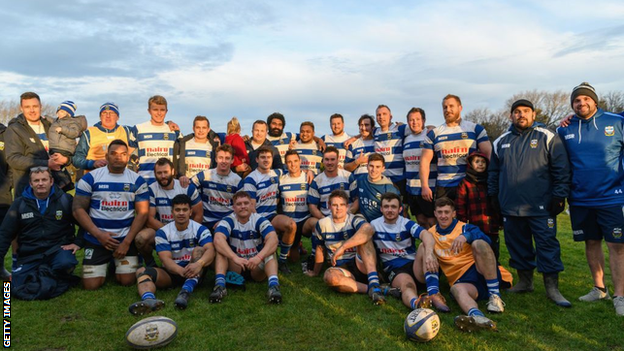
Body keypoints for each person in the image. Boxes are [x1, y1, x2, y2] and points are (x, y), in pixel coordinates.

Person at [489, 99, 571, 307]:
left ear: (534, 115)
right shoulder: (500, 141)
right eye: (517, 112)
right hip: (511, 207)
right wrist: (494, 197)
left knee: (547, 246)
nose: (521, 115)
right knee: (517, 246)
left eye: (526, 111)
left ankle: (552, 288)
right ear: (511, 116)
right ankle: (525, 282)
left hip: (541, 206)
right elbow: (493, 173)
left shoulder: (548, 136)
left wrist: (559, 195)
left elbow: (561, 169)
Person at [557, 82, 624, 316]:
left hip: (613, 197)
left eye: (586, 99)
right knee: (591, 242)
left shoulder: (617, 121)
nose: (581, 103)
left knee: (617, 245)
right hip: (581, 199)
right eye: (576, 100)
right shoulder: (564, 128)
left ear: (595, 101)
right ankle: (599, 288)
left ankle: (621, 296)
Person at [73, 139, 149, 290]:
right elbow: (77, 209)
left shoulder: (137, 181)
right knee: (91, 285)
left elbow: (142, 213)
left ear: (128, 157)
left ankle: (116, 265)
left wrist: (127, 242)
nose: (118, 157)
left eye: (123, 154)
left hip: (124, 240)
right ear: (106, 156)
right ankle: (108, 262)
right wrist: (98, 235)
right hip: (97, 239)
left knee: (127, 281)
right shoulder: (90, 178)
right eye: (113, 153)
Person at [428, 198, 511, 332]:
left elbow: (487, 241)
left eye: (447, 212)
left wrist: (466, 236)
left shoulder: (464, 227)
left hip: (480, 270)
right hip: (464, 282)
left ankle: (495, 296)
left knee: (479, 243)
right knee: (456, 289)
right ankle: (478, 318)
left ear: (454, 213)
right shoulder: (431, 234)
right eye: (440, 212)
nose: (443, 216)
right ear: (435, 214)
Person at [0, 167, 79, 299]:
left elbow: (84, 222)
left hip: (57, 249)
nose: (40, 183)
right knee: (15, 284)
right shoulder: (19, 204)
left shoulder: (65, 200)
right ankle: (45, 272)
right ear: (31, 184)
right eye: (36, 180)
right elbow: (4, 234)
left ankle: (51, 271)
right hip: (30, 252)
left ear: (51, 181)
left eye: (44, 179)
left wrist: (78, 243)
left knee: (66, 263)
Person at [128, 194, 215, 314]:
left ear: (190, 212)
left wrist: (199, 264)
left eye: (185, 210)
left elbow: (210, 250)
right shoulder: (163, 232)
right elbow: (166, 260)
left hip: (195, 271)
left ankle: (185, 292)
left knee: (199, 250)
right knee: (141, 271)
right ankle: (149, 300)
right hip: (174, 271)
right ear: (172, 212)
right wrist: (181, 271)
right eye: (177, 210)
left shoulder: (201, 229)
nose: (181, 213)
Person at [359, 192, 445, 311]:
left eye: (393, 207)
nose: (390, 210)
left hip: (415, 266)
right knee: (407, 285)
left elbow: (426, 234)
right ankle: (417, 304)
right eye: (386, 207)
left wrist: (430, 254)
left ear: (400, 209)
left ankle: (434, 293)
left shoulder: (406, 223)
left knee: (424, 246)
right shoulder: (374, 225)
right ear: (381, 209)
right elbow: (361, 240)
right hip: (395, 269)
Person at [306, 190, 387, 305]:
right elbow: (320, 249)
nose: (338, 208)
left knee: (364, 237)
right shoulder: (322, 224)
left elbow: (369, 229)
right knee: (330, 278)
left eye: (342, 205)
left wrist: (343, 247)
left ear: (347, 206)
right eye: (334, 205)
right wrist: (315, 271)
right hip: (342, 268)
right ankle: (374, 289)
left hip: (360, 263)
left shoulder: (354, 219)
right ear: (329, 206)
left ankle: (374, 281)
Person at [212, 191, 283, 304]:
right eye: (239, 204)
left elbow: (273, 239)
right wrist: (234, 257)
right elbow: (218, 240)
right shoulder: (228, 220)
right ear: (234, 207)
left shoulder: (259, 219)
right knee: (221, 250)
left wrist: (258, 257)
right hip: (237, 265)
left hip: (256, 266)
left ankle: (273, 287)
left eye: (246, 203)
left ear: (251, 205)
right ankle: (220, 287)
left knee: (271, 251)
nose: (243, 206)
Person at [420, 94, 491, 202]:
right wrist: (424, 186)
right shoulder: (434, 134)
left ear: (460, 108)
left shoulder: (475, 129)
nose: (448, 110)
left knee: (470, 218)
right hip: (444, 186)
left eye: (451, 106)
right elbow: (425, 161)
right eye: (445, 107)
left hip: (470, 183)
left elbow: (489, 155)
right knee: (444, 218)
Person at [134, 158, 203, 267]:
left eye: (165, 172)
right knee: (141, 239)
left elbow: (198, 214)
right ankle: (150, 264)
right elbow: (150, 219)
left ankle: (190, 263)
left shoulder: (186, 187)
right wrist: (169, 232)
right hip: (162, 229)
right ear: (155, 174)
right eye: (159, 173)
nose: (163, 176)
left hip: (186, 228)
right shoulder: (151, 189)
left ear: (173, 171)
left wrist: (189, 231)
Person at [242, 147, 297, 273]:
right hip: (257, 218)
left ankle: (282, 260)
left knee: (291, 225)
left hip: (272, 215)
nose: (266, 160)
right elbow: (251, 207)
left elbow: (293, 170)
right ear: (257, 159)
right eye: (262, 157)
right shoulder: (251, 179)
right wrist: (262, 225)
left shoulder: (276, 173)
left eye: (269, 157)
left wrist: (307, 171)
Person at [5, 92, 71, 195]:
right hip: (28, 191)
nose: (32, 110)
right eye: (27, 107)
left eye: (35, 106)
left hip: (56, 189)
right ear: (21, 108)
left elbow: (69, 148)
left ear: (41, 107)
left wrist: (67, 159)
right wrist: (47, 164)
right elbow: (13, 159)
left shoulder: (52, 125)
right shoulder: (15, 129)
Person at [457, 151, 502, 261]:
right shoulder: (465, 183)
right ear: (471, 164)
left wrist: (500, 220)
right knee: (477, 251)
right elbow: (460, 205)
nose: (480, 164)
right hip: (475, 225)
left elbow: (497, 202)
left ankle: (496, 272)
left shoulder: (490, 181)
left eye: (483, 162)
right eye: (477, 162)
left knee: (493, 250)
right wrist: (462, 224)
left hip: (491, 224)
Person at [130, 95, 182, 184]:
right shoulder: (138, 129)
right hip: (145, 181)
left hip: (166, 182)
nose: (159, 113)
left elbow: (180, 157)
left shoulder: (174, 131)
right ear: (149, 111)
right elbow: (127, 154)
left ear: (166, 111)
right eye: (155, 109)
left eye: (162, 110)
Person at [191, 144, 242, 231]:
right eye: (220, 157)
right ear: (216, 159)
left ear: (232, 160)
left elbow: (241, 206)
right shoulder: (204, 175)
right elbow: (189, 187)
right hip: (205, 223)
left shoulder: (238, 181)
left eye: (227, 158)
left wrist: (226, 221)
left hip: (227, 224)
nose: (223, 161)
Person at [73, 102, 134, 172]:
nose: (108, 116)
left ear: (117, 117)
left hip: (120, 175)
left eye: (111, 113)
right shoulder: (89, 133)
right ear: (100, 117)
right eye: (104, 113)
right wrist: (93, 163)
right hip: (96, 176)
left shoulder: (126, 131)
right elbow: (76, 159)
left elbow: (142, 135)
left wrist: (130, 153)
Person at [279, 150, 317, 261]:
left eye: (295, 161)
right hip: (290, 222)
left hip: (305, 220)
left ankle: (314, 257)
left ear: (300, 161)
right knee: (293, 259)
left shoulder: (309, 178)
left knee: (316, 223)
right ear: (285, 163)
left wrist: (309, 171)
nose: (293, 164)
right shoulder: (281, 180)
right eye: (289, 162)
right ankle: (296, 247)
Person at [403, 107, 437, 228]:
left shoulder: (429, 135)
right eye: (411, 120)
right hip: (411, 188)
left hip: (428, 187)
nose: (414, 122)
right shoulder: (406, 139)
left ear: (423, 120)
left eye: (417, 119)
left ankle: (437, 246)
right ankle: (426, 246)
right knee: (421, 221)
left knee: (432, 222)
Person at [308, 146, 358, 219]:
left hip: (347, 218)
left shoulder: (348, 176)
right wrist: (324, 219)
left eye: (332, 159)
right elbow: (312, 206)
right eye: (327, 160)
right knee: (312, 222)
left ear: (338, 160)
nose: (329, 163)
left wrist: (348, 214)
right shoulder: (317, 181)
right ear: (323, 161)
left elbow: (357, 199)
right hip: (326, 218)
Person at [373, 105, 409, 202]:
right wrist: (354, 138)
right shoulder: (375, 132)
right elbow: (363, 133)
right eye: (378, 115)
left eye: (384, 114)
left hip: (398, 178)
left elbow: (419, 127)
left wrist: (431, 128)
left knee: (402, 208)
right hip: (382, 179)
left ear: (391, 116)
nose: (381, 117)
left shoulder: (400, 128)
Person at [354, 153, 399, 222]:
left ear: (383, 169)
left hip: (381, 224)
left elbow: (396, 214)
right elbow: (356, 199)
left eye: (377, 167)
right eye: (371, 166)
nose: (374, 170)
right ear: (367, 166)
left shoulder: (389, 189)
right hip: (362, 220)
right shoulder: (361, 180)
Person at [173, 115, 221, 180]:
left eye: (204, 128)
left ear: (208, 129)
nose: (201, 130)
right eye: (198, 127)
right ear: (193, 128)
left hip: (206, 186)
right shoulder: (183, 144)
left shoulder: (214, 146)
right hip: (188, 185)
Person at [344, 114, 376, 179]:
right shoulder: (353, 144)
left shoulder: (378, 142)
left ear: (372, 127)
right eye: (361, 125)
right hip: (358, 181)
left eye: (366, 125)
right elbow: (346, 167)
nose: (363, 128)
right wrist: (357, 161)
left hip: (375, 182)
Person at [0, 123, 13, 278]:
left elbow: (10, 163)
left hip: (2, 195)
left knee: (3, 235)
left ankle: (0, 267)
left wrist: (7, 184)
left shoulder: (5, 132)